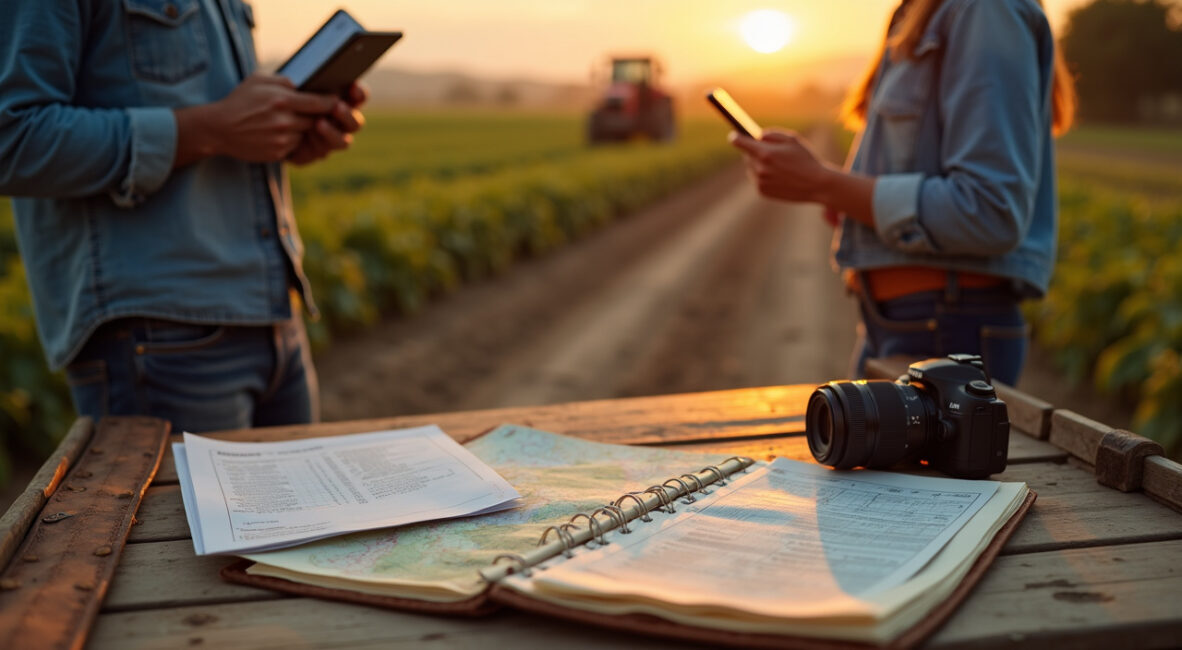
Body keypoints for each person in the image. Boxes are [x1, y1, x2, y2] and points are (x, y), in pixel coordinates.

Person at [0, 0, 367, 431]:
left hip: (274, 316)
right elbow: (12, 139)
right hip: (157, 335)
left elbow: (222, 118)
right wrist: (210, 129)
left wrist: (286, 134)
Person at [730, 0, 1075, 386]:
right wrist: (840, 198)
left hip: (947, 327)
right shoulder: (920, 12)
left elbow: (990, 211)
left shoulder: (982, 9)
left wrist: (822, 182)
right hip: (907, 322)